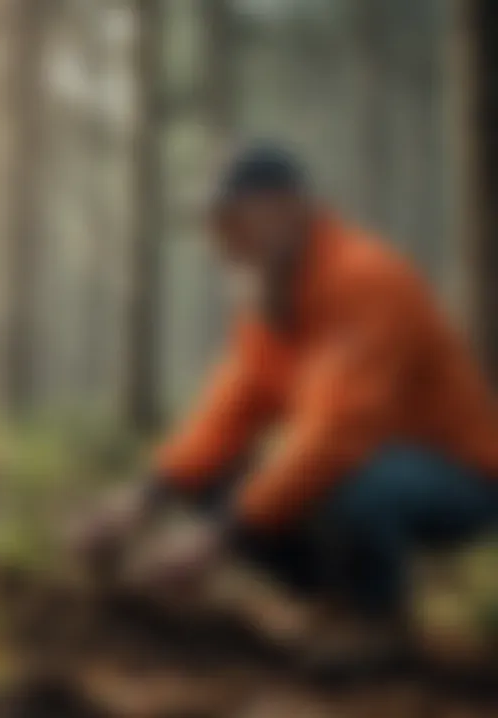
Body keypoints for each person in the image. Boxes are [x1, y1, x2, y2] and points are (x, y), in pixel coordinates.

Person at [77, 144, 498, 669]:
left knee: (350, 482)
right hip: (369, 462)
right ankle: (332, 605)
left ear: (291, 209)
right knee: (213, 483)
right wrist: (142, 500)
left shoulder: (365, 278)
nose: (222, 240)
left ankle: (378, 624)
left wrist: (217, 538)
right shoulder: (272, 297)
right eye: (215, 224)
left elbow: (335, 435)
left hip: (463, 477)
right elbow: (223, 415)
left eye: (234, 219)